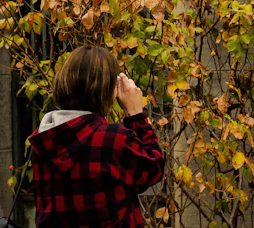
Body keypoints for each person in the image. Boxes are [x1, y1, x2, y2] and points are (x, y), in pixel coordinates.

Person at [28, 45, 165, 227]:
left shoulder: (45, 139)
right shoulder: (111, 139)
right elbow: (154, 169)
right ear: (107, 90)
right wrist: (136, 115)